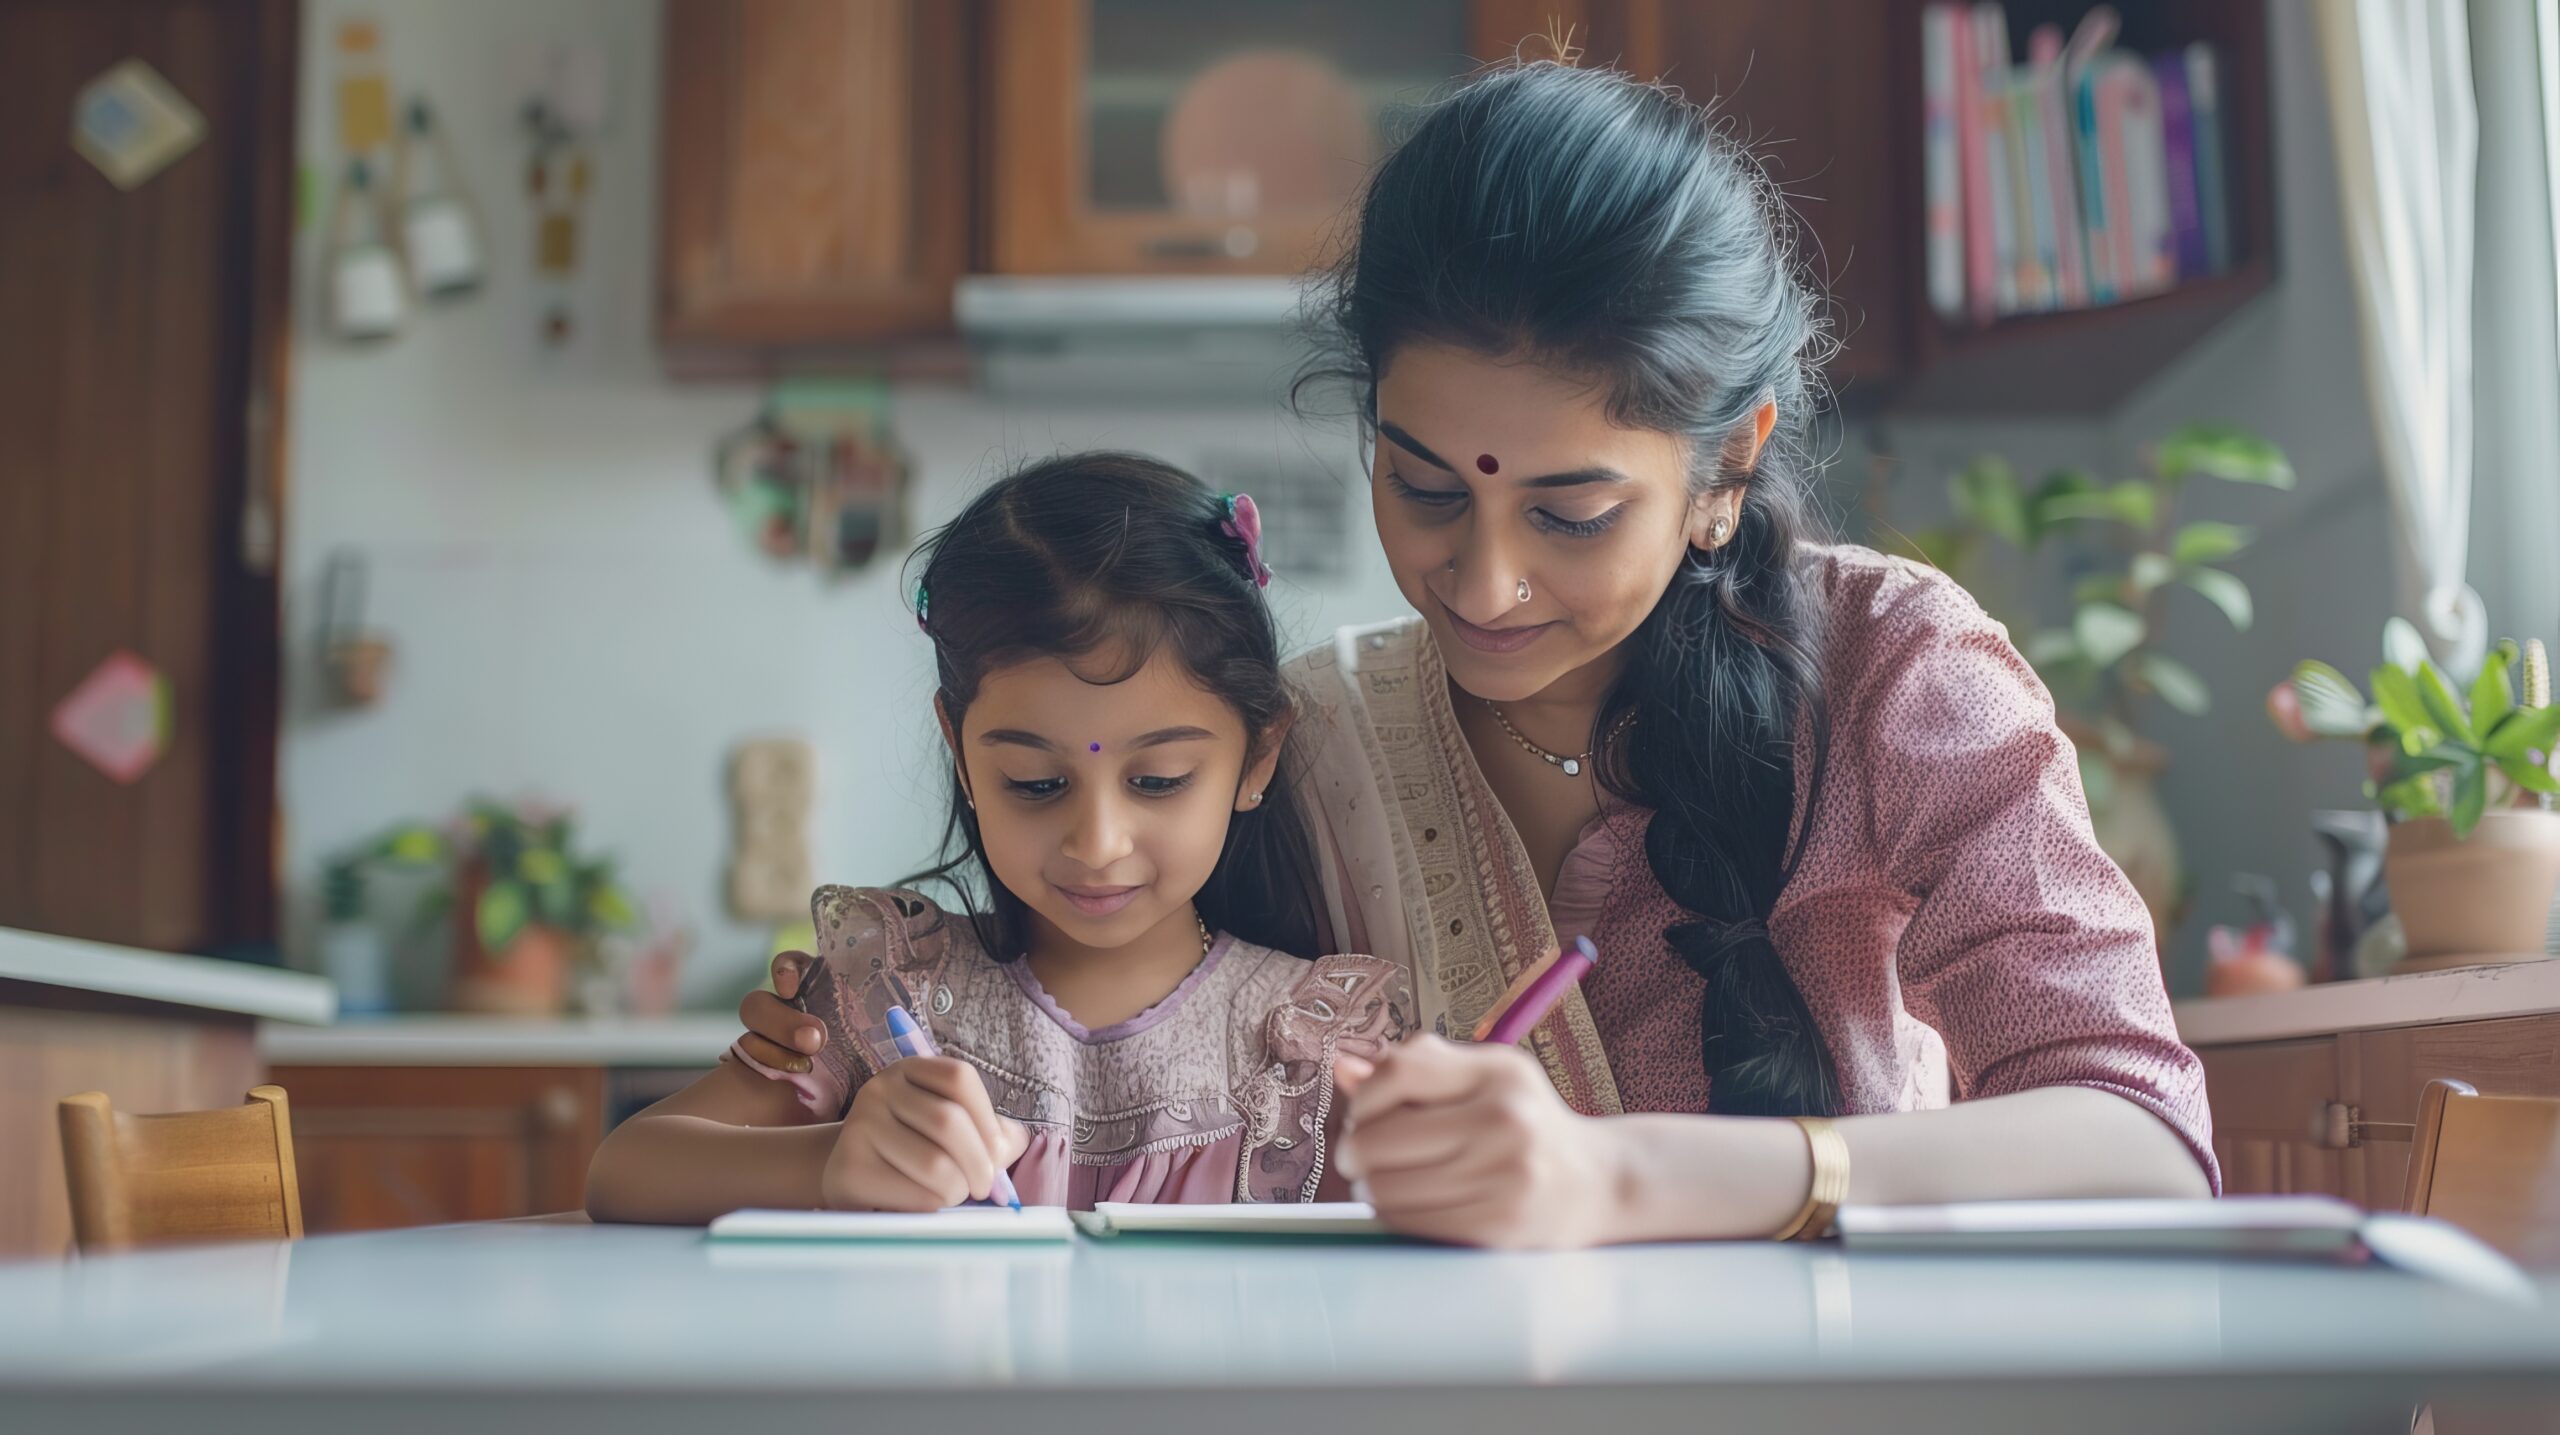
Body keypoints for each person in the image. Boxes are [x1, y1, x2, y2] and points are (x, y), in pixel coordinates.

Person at [736, 61, 2216, 1248]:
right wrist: (834, 1064)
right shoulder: (1318, 742)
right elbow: (1096, 1009)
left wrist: (1620, 1177)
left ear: (1724, 469)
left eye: (1571, 512)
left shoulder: (1893, 671)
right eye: (1426, 487)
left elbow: (2144, 1143)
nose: (1485, 581)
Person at [585, 454, 1405, 1223]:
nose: (1097, 842)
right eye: (1035, 783)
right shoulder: (885, 994)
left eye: (1158, 780)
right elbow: (624, 1169)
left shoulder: (1312, 1044)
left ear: (1257, 757)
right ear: (960, 750)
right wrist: (828, 1162)